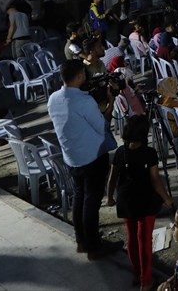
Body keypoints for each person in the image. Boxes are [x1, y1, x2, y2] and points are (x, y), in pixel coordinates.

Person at [47, 58, 118, 260]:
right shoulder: (83, 101)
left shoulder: (53, 99)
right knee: (91, 201)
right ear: (79, 76)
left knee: (79, 197)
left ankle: (81, 241)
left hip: (71, 156)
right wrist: (110, 103)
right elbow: (101, 125)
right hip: (92, 156)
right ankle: (94, 247)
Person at [106, 115, 173, 291]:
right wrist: (167, 198)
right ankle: (146, 280)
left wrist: (109, 197)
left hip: (126, 200)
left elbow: (112, 178)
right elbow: (155, 181)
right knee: (144, 241)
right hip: (145, 202)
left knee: (132, 239)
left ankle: (137, 273)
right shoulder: (149, 153)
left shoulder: (121, 152)